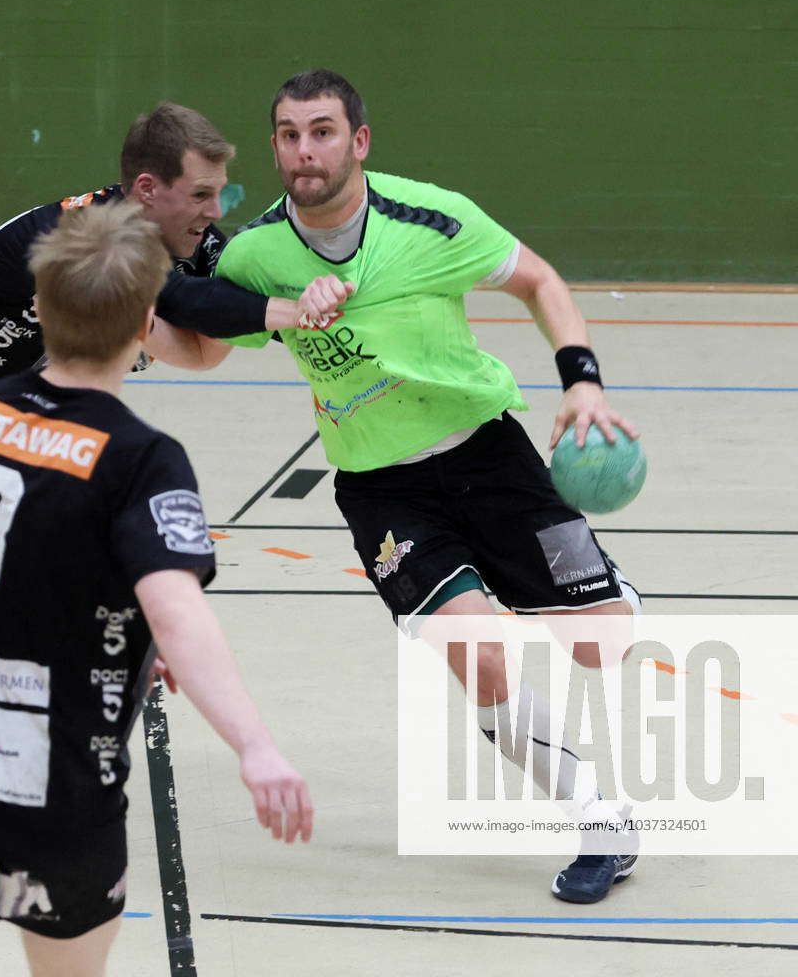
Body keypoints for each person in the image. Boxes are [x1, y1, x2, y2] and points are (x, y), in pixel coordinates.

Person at [206, 69, 643, 904]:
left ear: (359, 141)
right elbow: (207, 337)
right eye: (291, 133)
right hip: (382, 490)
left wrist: (581, 380)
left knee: (602, 645)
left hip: (488, 458)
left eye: (324, 131)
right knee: (478, 656)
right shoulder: (255, 255)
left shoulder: (433, 219)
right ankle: (602, 821)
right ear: (274, 147)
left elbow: (540, 281)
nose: (307, 149)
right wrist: (135, 325)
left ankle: (586, 592)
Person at [0, 200, 313, 976]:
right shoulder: (139, 457)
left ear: (40, 309)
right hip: (53, 775)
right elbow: (178, 616)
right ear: (145, 330)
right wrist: (256, 747)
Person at [0, 103, 325, 599]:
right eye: (199, 195)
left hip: (7, 417)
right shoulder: (76, 237)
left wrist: (313, 296)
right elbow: (185, 301)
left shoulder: (188, 240)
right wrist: (291, 311)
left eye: (220, 196)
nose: (214, 212)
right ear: (147, 189)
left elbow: (204, 349)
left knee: (48, 551)